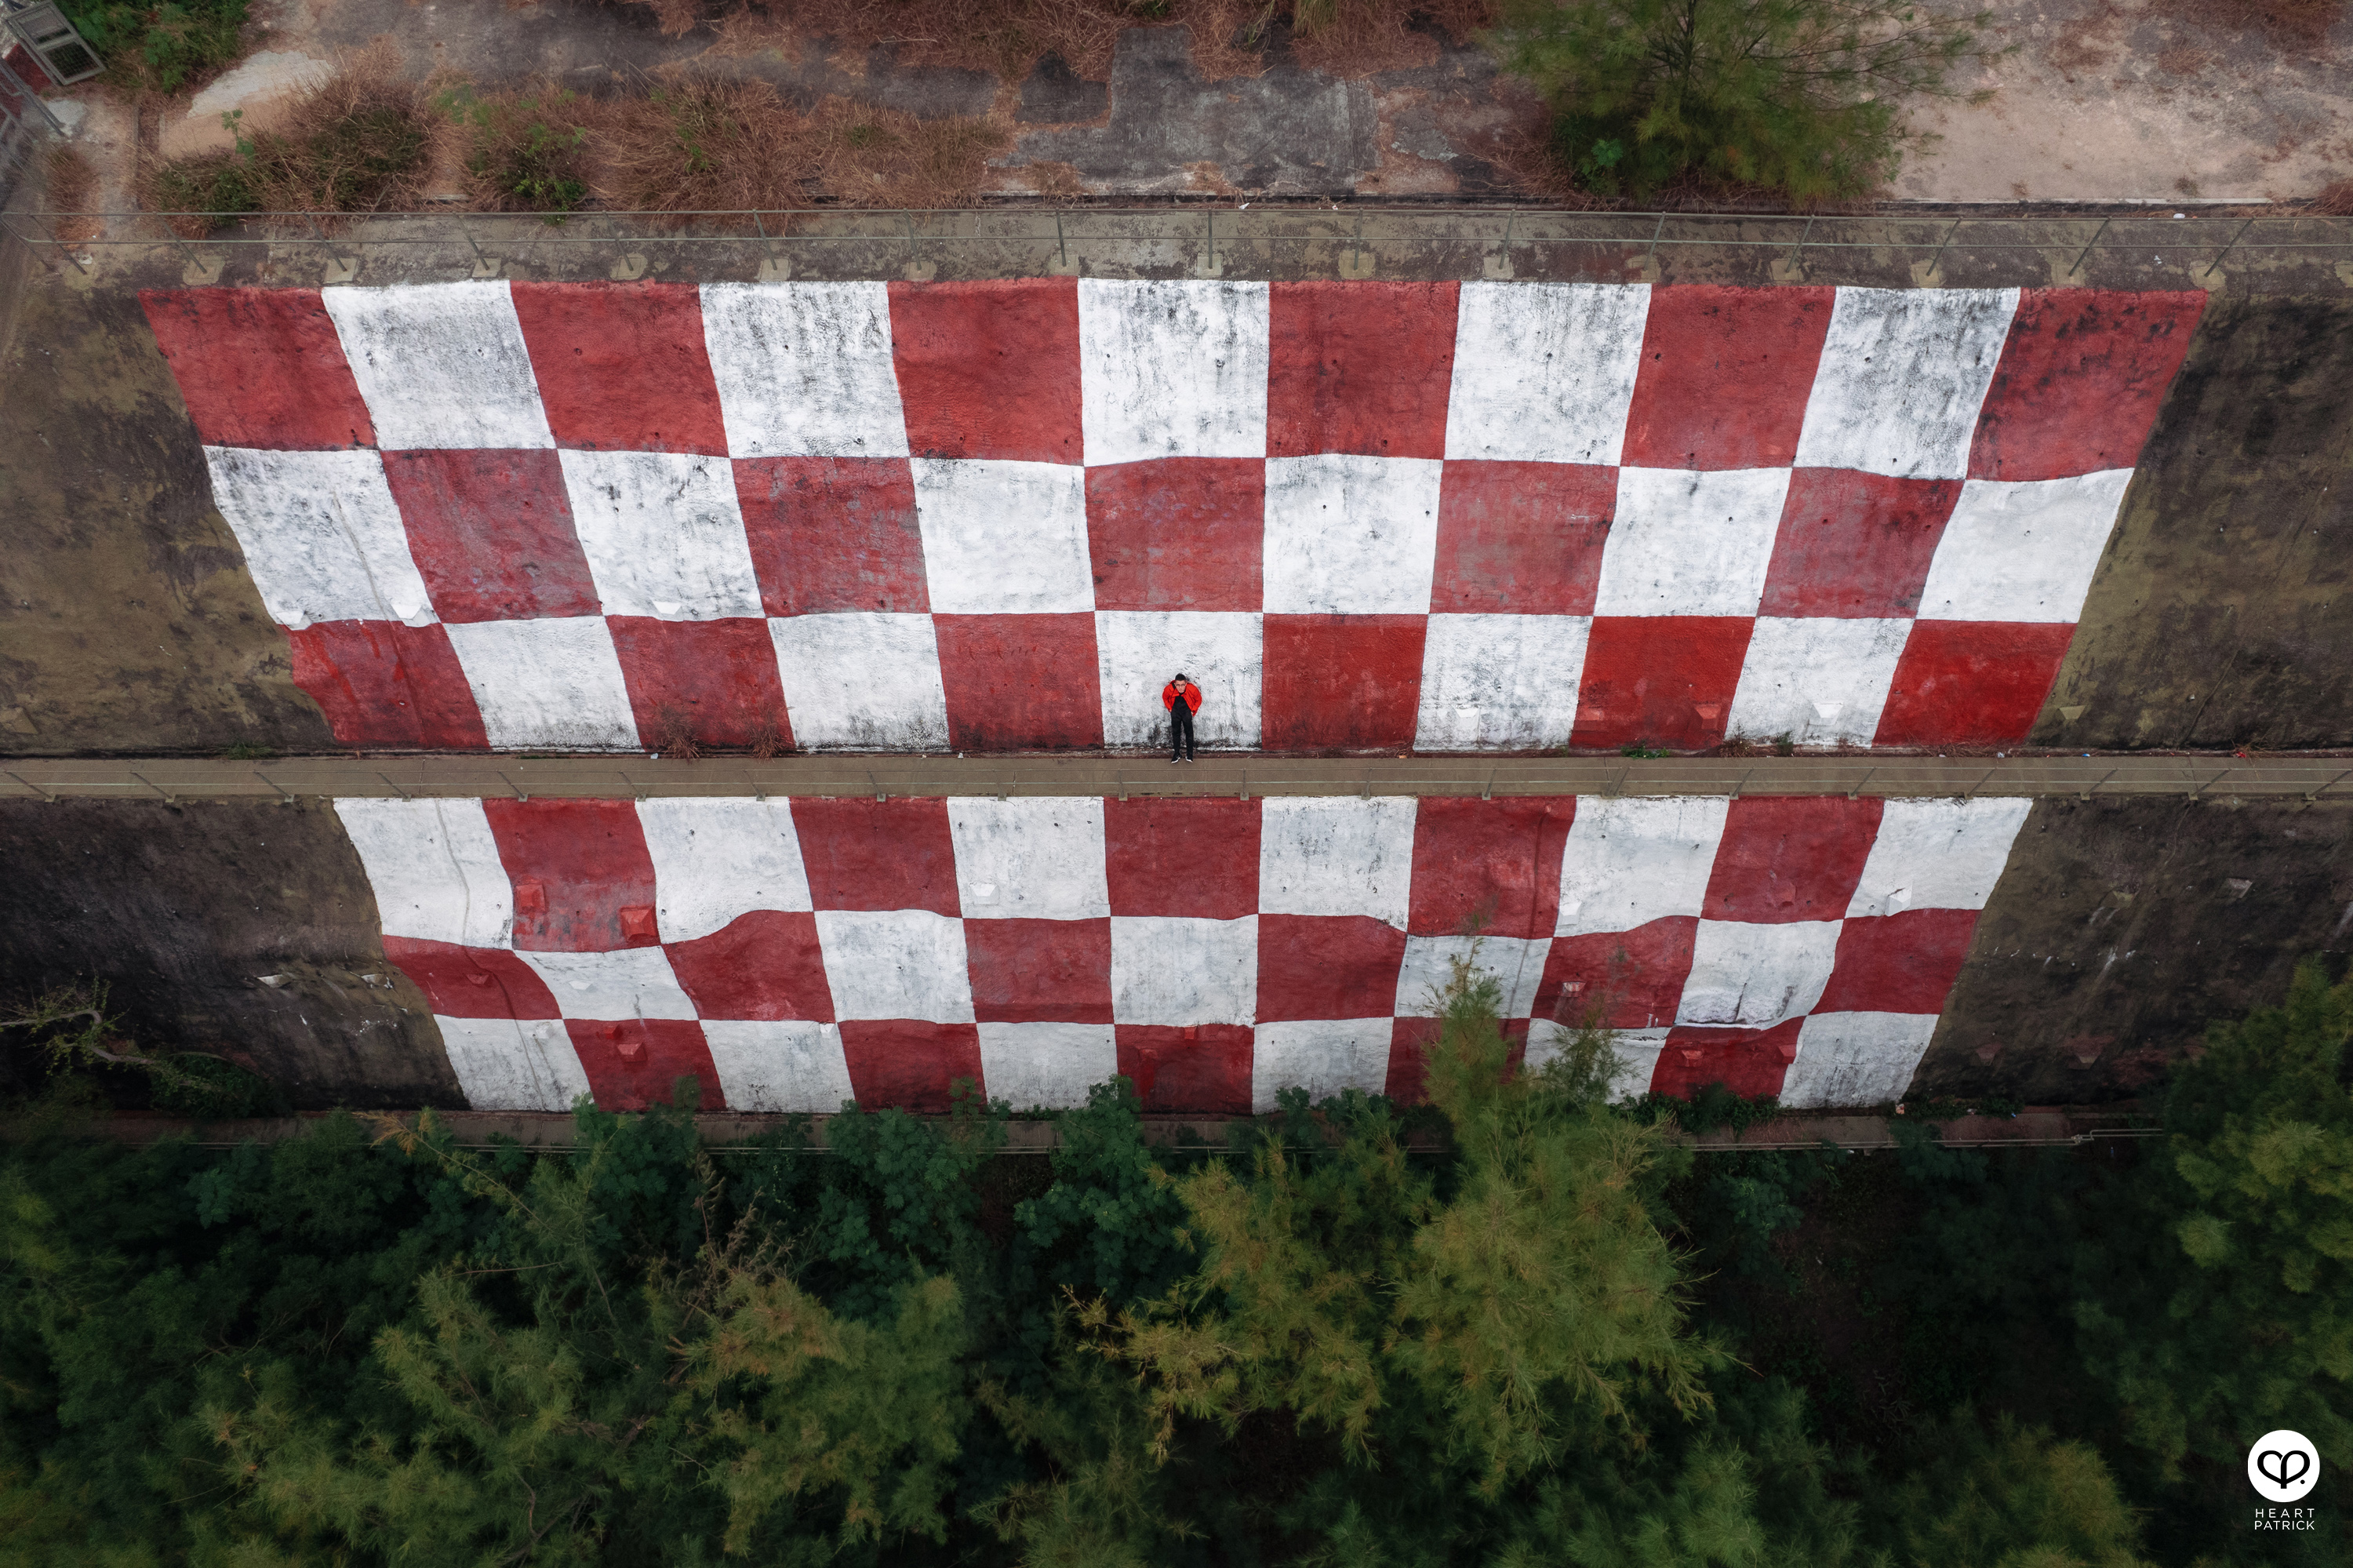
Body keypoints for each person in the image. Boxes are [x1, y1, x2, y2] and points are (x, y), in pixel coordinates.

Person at [1162, 671, 1202, 763]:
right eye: (1178, 685)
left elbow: (1198, 699)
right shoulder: (1169, 689)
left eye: (1183, 685)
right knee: (1176, 733)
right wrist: (1170, 708)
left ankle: (1189, 755)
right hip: (1175, 712)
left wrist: (1193, 710)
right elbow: (1165, 698)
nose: (1180, 688)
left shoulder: (1192, 689)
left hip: (1187, 712)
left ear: (1186, 683)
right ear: (1175, 684)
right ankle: (1176, 754)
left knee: (1189, 733)